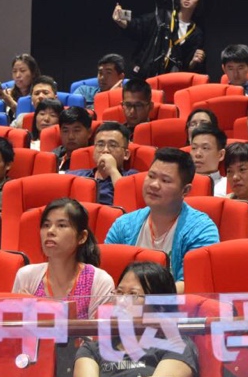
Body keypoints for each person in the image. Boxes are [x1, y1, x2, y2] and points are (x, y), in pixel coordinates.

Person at [68, 261, 198, 377]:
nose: (122, 301)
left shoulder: (176, 345)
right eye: (119, 292)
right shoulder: (91, 350)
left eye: (133, 295)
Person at [104, 149, 219, 289]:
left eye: (165, 180)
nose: (154, 185)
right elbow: (106, 274)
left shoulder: (201, 230)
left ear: (185, 190)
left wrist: (147, 299)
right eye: (151, 176)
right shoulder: (123, 225)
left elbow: (192, 283)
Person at [12, 198, 114, 318]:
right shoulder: (26, 276)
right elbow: (13, 327)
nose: (50, 231)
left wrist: (38, 309)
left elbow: (98, 330)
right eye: (46, 225)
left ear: (82, 237)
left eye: (61, 225)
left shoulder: (100, 282)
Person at [115, 0, 206, 77]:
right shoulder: (163, 16)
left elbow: (188, 65)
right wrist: (122, 22)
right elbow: (140, 25)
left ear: (198, 2)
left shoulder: (196, 32)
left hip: (170, 77)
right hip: (147, 72)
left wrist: (194, 61)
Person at [68, 122, 137, 206]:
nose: (105, 150)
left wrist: (112, 170)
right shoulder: (76, 175)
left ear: (126, 154)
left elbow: (130, 202)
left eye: (113, 145)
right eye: (100, 145)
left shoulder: (132, 177)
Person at [53, 106, 92, 173]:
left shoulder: (95, 160)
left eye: (76, 130)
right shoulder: (54, 156)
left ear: (89, 133)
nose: (71, 136)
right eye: (65, 131)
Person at [189, 125, 227, 195]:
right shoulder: (180, 184)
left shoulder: (228, 186)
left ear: (221, 155)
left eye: (205, 148)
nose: (197, 154)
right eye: (194, 148)